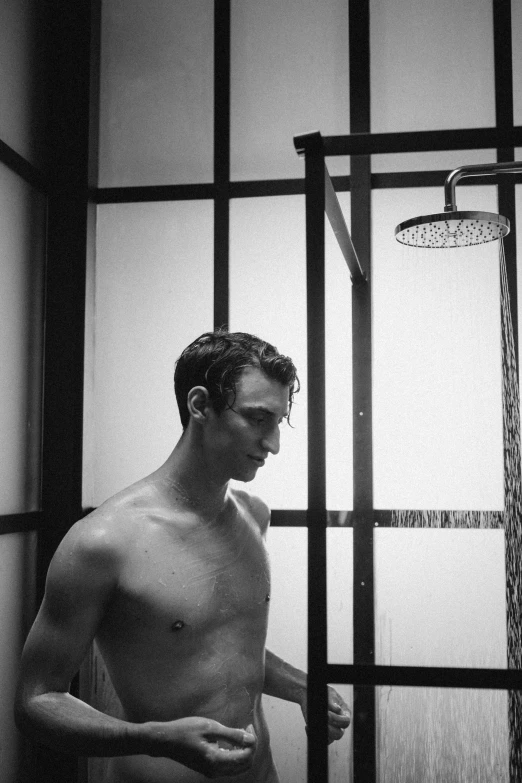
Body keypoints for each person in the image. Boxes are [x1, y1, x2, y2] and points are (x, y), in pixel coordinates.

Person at [15, 330, 351, 782]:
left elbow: (219, 643)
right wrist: (155, 737)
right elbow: (35, 701)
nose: (273, 444)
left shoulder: (253, 516)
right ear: (200, 406)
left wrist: (299, 687)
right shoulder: (103, 541)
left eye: (279, 422)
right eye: (258, 419)